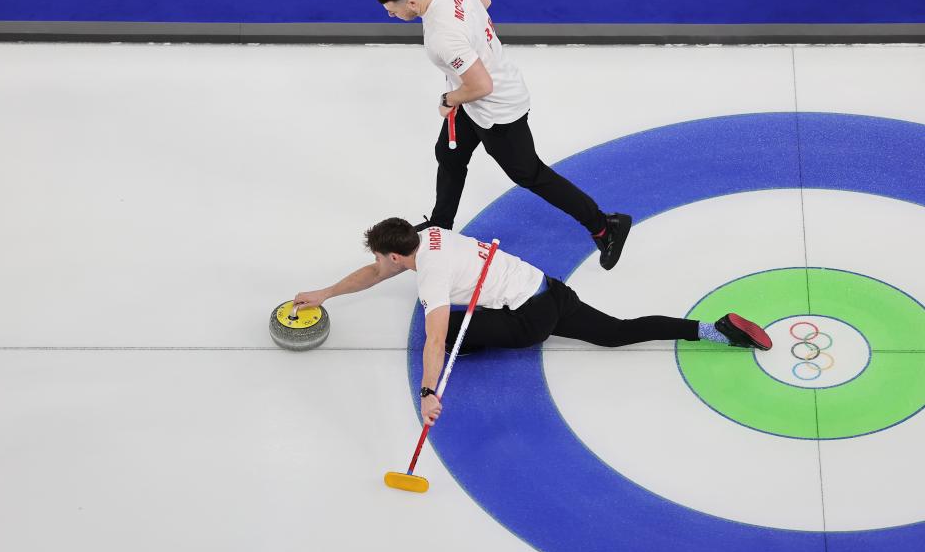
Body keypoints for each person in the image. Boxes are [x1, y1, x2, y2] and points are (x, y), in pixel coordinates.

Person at [292, 218, 773, 427]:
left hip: (529, 320)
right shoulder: (430, 235)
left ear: (398, 255)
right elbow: (376, 274)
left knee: (443, 330)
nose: (381, 264)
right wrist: (325, 293)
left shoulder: (431, 277)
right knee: (616, 332)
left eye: (383, 258)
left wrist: (427, 392)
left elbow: (435, 341)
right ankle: (714, 330)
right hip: (549, 288)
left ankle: (476, 340)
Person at [374, 0, 631, 270]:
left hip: (497, 109)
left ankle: (605, 226)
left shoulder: (443, 36)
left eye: (392, 10)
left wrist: (448, 99)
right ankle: (441, 228)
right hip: (473, 99)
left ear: (412, 3)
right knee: (449, 155)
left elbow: (483, 86)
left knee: (529, 174)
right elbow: (484, 0)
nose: (391, 15)